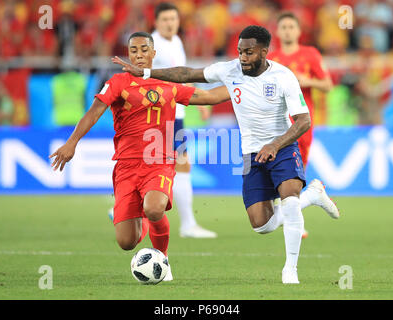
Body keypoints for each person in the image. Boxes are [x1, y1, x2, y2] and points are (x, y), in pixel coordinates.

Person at [113, 25, 339, 284]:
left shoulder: (283, 76)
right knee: (261, 225)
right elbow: (187, 73)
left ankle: (290, 269)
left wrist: (275, 145)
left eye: (249, 53)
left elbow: (303, 121)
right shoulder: (230, 69)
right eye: (240, 51)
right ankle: (313, 195)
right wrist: (146, 72)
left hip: (282, 146)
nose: (242, 57)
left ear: (264, 52)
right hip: (251, 154)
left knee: (289, 200)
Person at [50, 32, 230, 282]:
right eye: (134, 50)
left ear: (154, 53)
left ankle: (163, 259)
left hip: (160, 160)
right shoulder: (118, 83)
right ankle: (139, 217)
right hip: (126, 166)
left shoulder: (168, 84)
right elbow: (94, 112)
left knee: (155, 208)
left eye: (144, 49)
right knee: (127, 242)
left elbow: (210, 97)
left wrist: (243, 84)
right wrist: (71, 143)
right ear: (129, 53)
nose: (139, 54)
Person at [109, 2, 217, 238]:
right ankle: (187, 224)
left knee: (180, 164)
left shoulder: (175, 42)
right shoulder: (151, 46)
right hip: (159, 118)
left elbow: (179, 74)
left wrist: (199, 99)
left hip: (176, 114)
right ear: (156, 22)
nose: (170, 24)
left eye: (174, 19)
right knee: (180, 164)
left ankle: (134, 208)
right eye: (166, 20)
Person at [268, 12, 335, 239]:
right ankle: (291, 217)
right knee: (275, 169)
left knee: (296, 173)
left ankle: (291, 218)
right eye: (283, 27)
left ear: (298, 31)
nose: (287, 30)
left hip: (301, 122)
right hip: (275, 122)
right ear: (278, 31)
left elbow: (327, 84)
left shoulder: (310, 54)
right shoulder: (271, 58)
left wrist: (308, 81)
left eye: (291, 27)